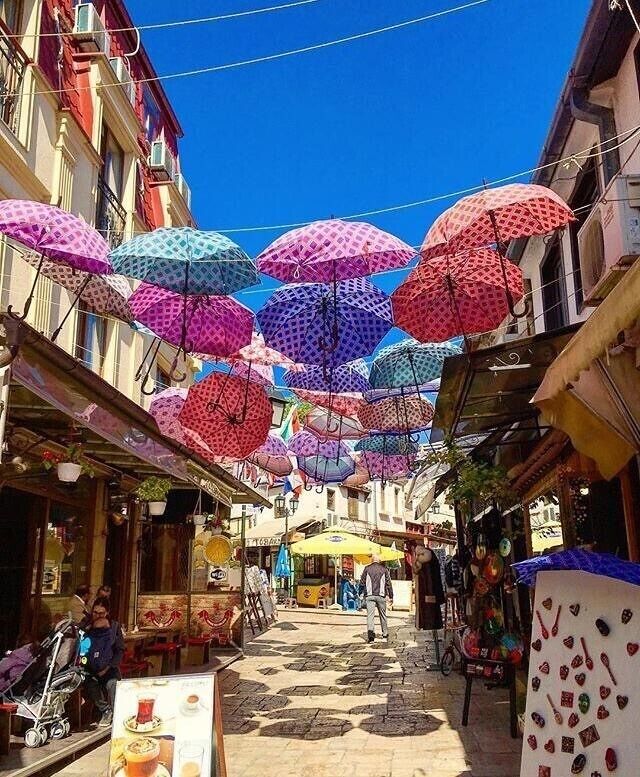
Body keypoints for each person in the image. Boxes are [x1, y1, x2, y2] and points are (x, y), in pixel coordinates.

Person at [83, 597, 124, 727]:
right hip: (91, 669)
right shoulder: (87, 626)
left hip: (109, 668)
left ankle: (115, 711)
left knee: (112, 684)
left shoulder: (114, 627)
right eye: (95, 612)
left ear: (107, 613)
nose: (97, 616)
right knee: (89, 682)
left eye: (101, 613)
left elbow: (119, 650)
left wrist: (108, 667)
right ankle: (105, 709)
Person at [359, 553, 393, 642]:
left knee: (370, 616)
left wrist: (360, 592)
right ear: (379, 560)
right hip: (381, 596)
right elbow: (389, 584)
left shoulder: (367, 569)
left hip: (369, 596)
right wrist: (391, 596)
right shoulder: (384, 569)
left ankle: (371, 637)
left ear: (372, 559)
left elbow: (362, 582)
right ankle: (385, 635)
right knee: (383, 615)